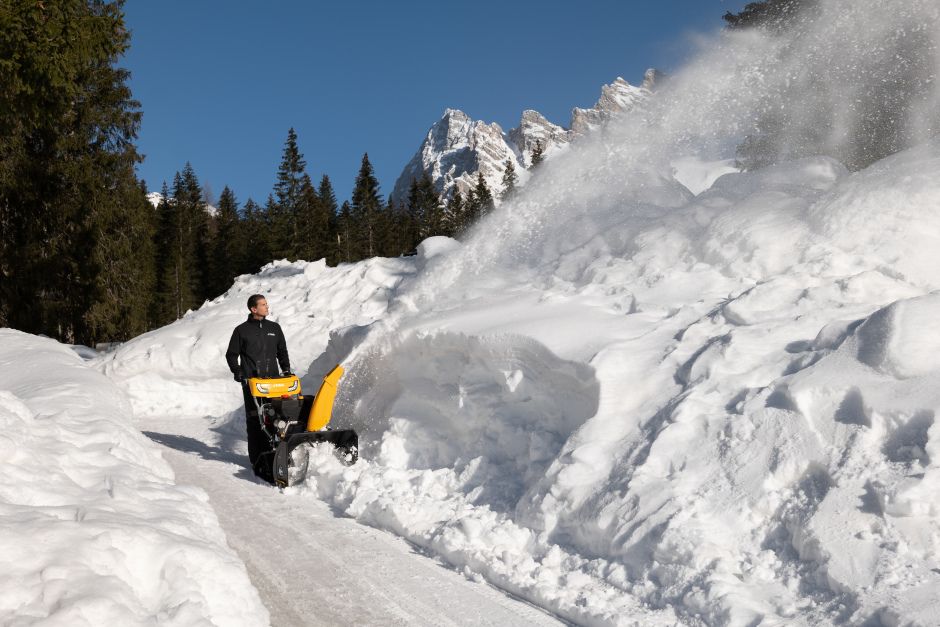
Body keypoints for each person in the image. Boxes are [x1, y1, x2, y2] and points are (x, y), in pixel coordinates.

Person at [225, 294, 291, 481]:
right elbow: (231, 355)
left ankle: (279, 454)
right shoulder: (241, 330)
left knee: (278, 417)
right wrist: (238, 372)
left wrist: (286, 369)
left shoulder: (274, 328)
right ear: (254, 309)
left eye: (266, 303)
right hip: (253, 383)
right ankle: (257, 459)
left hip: (275, 383)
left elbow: (282, 351)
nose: (266, 306)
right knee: (256, 420)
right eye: (263, 304)